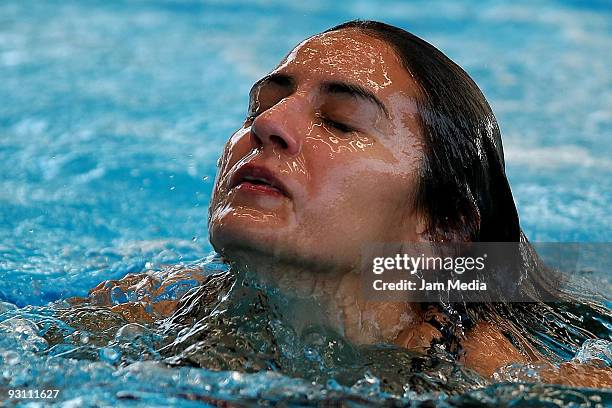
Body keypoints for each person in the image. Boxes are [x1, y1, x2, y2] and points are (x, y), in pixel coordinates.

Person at [70, 20, 611, 386]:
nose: (266, 125)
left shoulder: (509, 378)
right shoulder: (151, 310)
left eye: (340, 121)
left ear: (440, 229)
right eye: (263, 104)